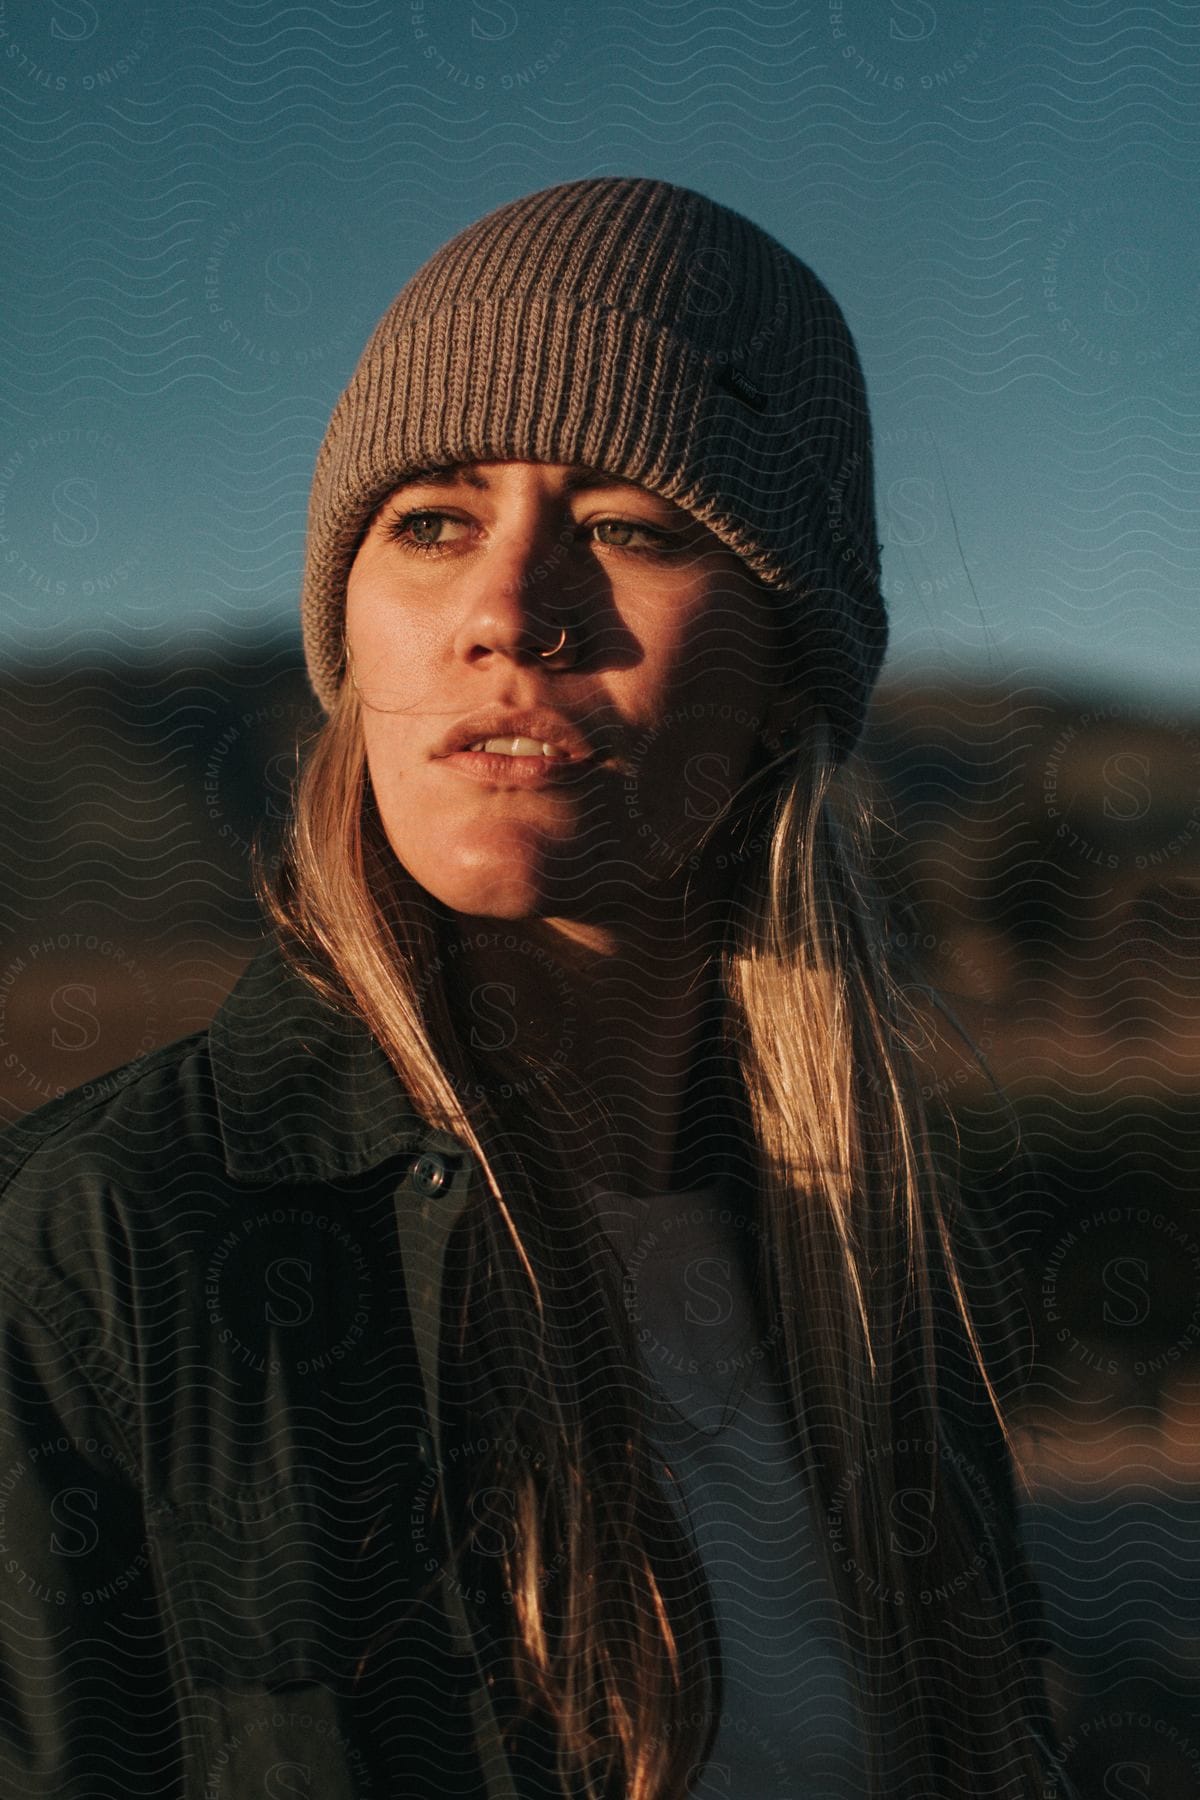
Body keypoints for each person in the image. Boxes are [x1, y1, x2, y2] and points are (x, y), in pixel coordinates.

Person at [0, 177, 1063, 1799]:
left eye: (632, 528)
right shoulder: (102, 1255)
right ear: (352, 639)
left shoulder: (880, 1286)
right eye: (430, 522)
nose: (506, 612)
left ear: (792, 667)